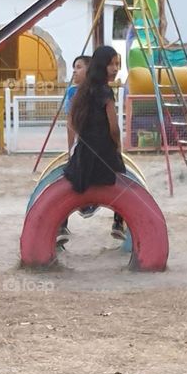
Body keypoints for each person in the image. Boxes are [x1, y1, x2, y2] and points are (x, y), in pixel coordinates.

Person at [64, 45, 126, 243]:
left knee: (67, 180)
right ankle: (118, 222)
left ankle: (61, 225)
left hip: (85, 152)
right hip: (104, 153)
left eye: (117, 64)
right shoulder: (106, 92)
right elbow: (114, 127)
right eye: (111, 64)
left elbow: (71, 122)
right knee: (123, 183)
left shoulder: (81, 91)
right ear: (101, 66)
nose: (115, 68)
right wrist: (117, 147)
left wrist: (71, 149)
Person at [57, 54, 91, 249]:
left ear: (89, 70)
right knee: (66, 181)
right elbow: (70, 124)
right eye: (74, 67)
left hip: (95, 146)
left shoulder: (98, 92)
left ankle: (119, 222)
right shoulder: (72, 92)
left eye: (79, 67)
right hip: (81, 145)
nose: (74, 71)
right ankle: (61, 225)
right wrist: (71, 149)